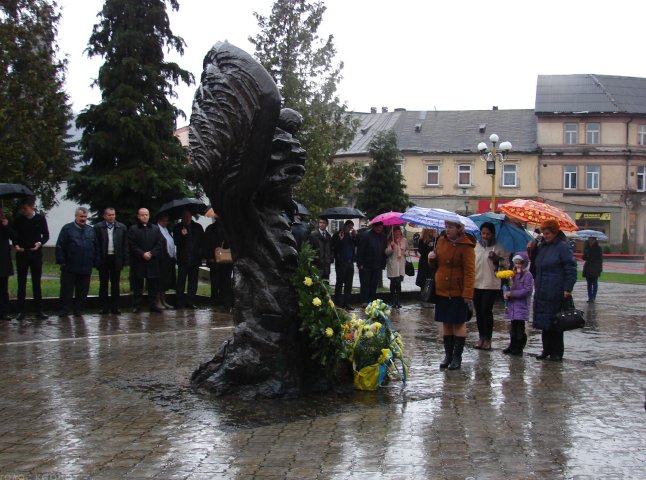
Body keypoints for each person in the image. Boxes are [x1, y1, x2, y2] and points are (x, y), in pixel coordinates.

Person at [428, 220, 476, 370]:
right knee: (446, 323)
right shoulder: (441, 241)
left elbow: (470, 272)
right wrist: (431, 259)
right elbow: (436, 265)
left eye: (450, 227)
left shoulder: (466, 246)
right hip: (442, 289)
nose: (447, 230)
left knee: (458, 323)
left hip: (457, 290)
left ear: (459, 228)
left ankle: (457, 357)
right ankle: (448, 355)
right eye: (446, 227)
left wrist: (468, 292)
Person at [532, 219, 577, 362]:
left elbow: (570, 268)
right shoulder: (542, 246)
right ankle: (546, 349)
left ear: (555, 232)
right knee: (545, 322)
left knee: (556, 322)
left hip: (556, 289)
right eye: (543, 233)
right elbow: (535, 265)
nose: (545, 235)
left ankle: (557, 352)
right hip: (542, 289)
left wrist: (567, 288)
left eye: (547, 233)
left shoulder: (562, 247)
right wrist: (533, 248)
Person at [55, 207, 99, 317]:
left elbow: (96, 247)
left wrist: (95, 261)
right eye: (81, 217)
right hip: (70, 265)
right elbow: (60, 245)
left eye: (85, 217)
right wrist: (62, 261)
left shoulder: (90, 230)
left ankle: (78, 310)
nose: (83, 219)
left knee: (83, 290)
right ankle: (64, 310)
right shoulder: (67, 229)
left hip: (85, 266)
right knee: (66, 290)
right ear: (76, 216)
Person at [11, 197, 49, 320]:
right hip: (22, 253)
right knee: (21, 282)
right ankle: (21, 311)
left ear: (32, 207)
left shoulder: (40, 219)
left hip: (35, 253)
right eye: (22, 209)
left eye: (25, 209)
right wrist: (16, 245)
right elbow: (14, 235)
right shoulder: (18, 219)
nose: (23, 211)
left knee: (36, 282)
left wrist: (40, 243)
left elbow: (46, 235)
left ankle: (39, 310)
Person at [473, 222, 508, 350]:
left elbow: (505, 265)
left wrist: (496, 258)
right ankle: (481, 337)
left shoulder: (498, 247)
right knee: (478, 312)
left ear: (492, 234)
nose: (485, 236)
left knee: (486, 311)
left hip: (491, 284)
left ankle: (488, 338)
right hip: (476, 283)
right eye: (483, 233)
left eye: (488, 233)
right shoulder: (476, 246)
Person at [128, 208, 165, 313]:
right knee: (138, 284)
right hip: (139, 261)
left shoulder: (155, 229)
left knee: (153, 284)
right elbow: (132, 244)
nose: (145, 217)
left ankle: (153, 304)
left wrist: (152, 253)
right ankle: (136, 305)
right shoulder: (133, 229)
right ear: (138, 216)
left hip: (152, 260)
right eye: (142, 215)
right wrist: (142, 253)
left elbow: (160, 242)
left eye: (147, 215)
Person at [95, 207, 129, 314]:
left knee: (115, 284)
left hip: (116, 258)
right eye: (109, 215)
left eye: (113, 215)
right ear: (105, 216)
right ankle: (103, 307)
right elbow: (96, 244)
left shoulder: (121, 227)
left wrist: (125, 260)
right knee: (103, 284)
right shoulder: (98, 227)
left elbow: (125, 245)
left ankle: (115, 306)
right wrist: (97, 259)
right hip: (104, 258)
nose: (111, 217)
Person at [502, 252, 533, 355]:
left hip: (521, 305)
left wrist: (512, 293)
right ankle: (512, 344)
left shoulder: (527, 275)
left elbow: (526, 290)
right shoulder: (513, 274)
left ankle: (519, 347)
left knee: (520, 327)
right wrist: (506, 290)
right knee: (513, 326)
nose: (518, 265)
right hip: (512, 305)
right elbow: (508, 287)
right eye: (516, 263)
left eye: (520, 263)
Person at [173, 209, 205, 309]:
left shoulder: (197, 227)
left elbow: (202, 241)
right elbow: (176, 242)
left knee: (193, 282)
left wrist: (200, 253)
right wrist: (183, 235)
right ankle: (179, 301)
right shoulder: (178, 227)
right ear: (182, 217)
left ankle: (190, 301)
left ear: (191, 216)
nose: (187, 218)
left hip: (195, 258)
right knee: (181, 282)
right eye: (185, 216)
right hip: (183, 259)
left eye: (188, 216)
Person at [203, 217, 233, 310]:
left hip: (227, 260)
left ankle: (226, 301)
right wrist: (210, 257)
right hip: (214, 260)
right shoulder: (210, 229)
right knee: (215, 281)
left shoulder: (229, 228)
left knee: (226, 282)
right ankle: (215, 301)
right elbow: (206, 243)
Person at [356, 221, 387, 306]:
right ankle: (364, 301)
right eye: (378, 227)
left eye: (381, 227)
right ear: (374, 226)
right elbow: (360, 250)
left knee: (374, 284)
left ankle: (372, 301)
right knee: (365, 283)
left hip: (377, 265)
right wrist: (360, 263)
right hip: (366, 265)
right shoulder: (366, 235)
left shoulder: (383, 237)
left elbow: (384, 251)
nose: (379, 229)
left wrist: (383, 263)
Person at [331, 220, 357, 309]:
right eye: (349, 227)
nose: (350, 229)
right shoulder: (337, 235)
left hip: (350, 263)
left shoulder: (351, 236)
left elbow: (357, 244)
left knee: (349, 283)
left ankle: (347, 302)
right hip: (341, 263)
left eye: (351, 227)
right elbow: (335, 249)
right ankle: (337, 302)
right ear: (345, 226)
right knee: (340, 282)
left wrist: (355, 236)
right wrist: (340, 240)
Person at [157, 213, 176, 309]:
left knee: (164, 280)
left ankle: (163, 300)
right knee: (159, 281)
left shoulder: (166, 230)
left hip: (168, 258)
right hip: (160, 259)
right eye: (164, 220)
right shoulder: (157, 230)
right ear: (159, 221)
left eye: (167, 221)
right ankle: (158, 301)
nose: (166, 222)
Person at [385, 225, 408, 309]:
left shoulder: (404, 240)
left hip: (401, 264)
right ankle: (393, 301)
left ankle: (398, 301)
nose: (397, 233)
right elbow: (386, 253)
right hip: (393, 264)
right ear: (393, 232)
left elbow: (407, 251)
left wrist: (404, 252)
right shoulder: (390, 241)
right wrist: (391, 247)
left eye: (399, 231)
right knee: (393, 283)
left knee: (398, 284)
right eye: (395, 231)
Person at [0, 207, 16, 320]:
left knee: (3, 288)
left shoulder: (5, 223)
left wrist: (6, 225)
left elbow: (14, 236)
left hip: (3, 260)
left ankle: (4, 312)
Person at [415, 228, 436, 307]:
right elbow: (422, 251)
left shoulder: (435, 240)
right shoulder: (421, 240)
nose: (434, 232)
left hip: (431, 264)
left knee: (431, 281)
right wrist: (428, 246)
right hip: (424, 264)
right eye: (432, 231)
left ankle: (430, 298)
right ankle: (424, 299)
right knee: (423, 282)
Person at [582, 236, 603, 302]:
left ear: (595, 240)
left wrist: (600, 268)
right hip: (588, 267)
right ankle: (590, 297)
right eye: (589, 240)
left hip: (595, 268)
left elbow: (600, 259)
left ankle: (593, 297)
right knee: (589, 284)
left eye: (591, 240)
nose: (590, 241)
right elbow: (584, 257)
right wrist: (585, 255)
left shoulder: (598, 248)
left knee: (594, 283)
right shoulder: (587, 248)